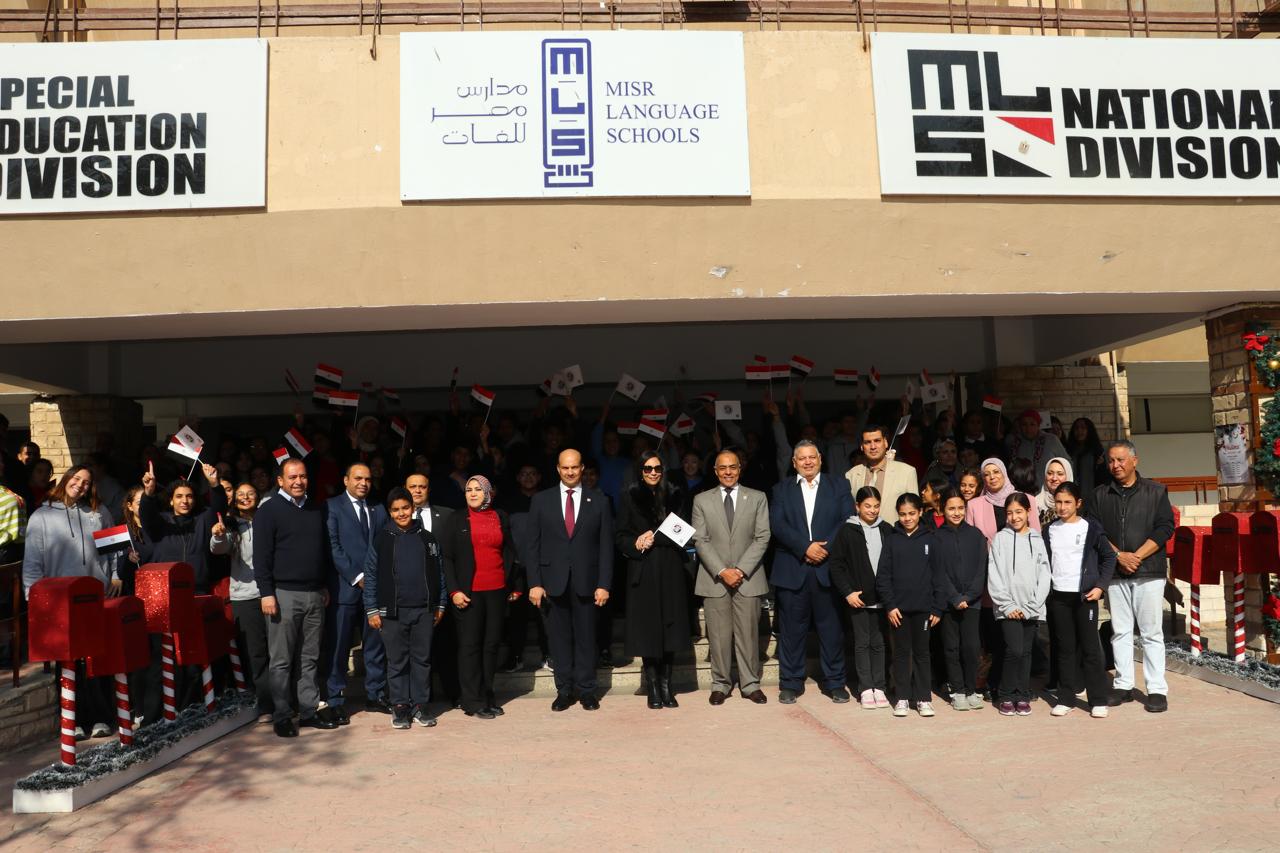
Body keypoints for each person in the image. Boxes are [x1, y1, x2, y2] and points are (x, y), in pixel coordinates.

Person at [21, 465, 120, 738]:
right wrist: (33, 598)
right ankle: (71, 720)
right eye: (77, 479)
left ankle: (100, 718)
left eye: (87, 482)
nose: (81, 485)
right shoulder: (41, 516)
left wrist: (115, 576)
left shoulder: (99, 513)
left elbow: (114, 549)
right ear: (66, 479)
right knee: (67, 662)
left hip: (94, 597)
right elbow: (32, 562)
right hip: (60, 601)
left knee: (95, 659)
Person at [252, 458, 339, 737]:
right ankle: (282, 715)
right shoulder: (268, 511)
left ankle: (309, 710)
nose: (298, 481)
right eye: (292, 477)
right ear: (280, 480)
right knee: (281, 660)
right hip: (282, 595)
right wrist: (266, 593)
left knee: (309, 658)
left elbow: (321, 551)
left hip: (315, 594)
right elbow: (261, 557)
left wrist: (323, 586)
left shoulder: (315, 509)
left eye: (302, 476)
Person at [525, 449, 614, 712]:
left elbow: (606, 547)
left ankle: (587, 691)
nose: (570, 472)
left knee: (587, 639)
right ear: (558, 469)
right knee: (558, 640)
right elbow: (532, 545)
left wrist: (604, 584)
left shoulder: (599, 501)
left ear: (582, 468)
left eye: (575, 467)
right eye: (565, 468)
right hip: (552, 582)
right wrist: (534, 582)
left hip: (588, 582)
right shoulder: (541, 500)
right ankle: (563, 690)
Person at [1091, 441, 1176, 713]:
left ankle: (1156, 689)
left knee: (1151, 632)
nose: (1115, 465)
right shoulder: (1100, 494)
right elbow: (1096, 532)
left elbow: (1165, 528)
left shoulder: (1156, 491)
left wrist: (1136, 556)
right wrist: (1118, 556)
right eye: (1111, 461)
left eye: (1121, 460)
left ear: (1135, 461)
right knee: (1120, 631)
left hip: (1148, 571)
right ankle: (1124, 685)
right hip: (1116, 572)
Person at [771, 440, 854, 704]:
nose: (807, 462)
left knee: (831, 630)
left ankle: (835, 682)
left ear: (820, 459)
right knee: (791, 632)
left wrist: (823, 549)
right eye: (802, 458)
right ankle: (790, 683)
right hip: (793, 568)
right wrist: (805, 547)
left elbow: (847, 519)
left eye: (812, 457)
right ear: (794, 463)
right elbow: (777, 524)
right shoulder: (781, 489)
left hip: (828, 569)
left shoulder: (839, 485)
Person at [691, 449, 771, 705]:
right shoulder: (701, 500)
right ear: (715, 471)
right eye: (723, 468)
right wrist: (723, 571)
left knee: (748, 635)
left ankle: (750, 684)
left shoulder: (757, 497)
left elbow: (762, 537)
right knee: (718, 636)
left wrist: (740, 570)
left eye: (732, 467)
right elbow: (700, 540)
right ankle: (720, 684)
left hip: (748, 578)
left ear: (740, 469)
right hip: (715, 579)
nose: (728, 472)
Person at [363, 487, 447, 730]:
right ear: (390, 512)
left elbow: (439, 572)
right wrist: (372, 609)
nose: (401, 513)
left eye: (405, 508)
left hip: (424, 610)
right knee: (397, 661)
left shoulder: (427, 538)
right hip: (392, 612)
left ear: (413, 508)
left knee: (422, 660)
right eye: (396, 510)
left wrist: (441, 603)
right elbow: (371, 575)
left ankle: (420, 705)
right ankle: (400, 706)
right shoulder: (382, 539)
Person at [439, 475, 518, 719]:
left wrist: (514, 585)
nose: (472, 493)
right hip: (469, 593)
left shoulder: (500, 516)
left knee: (491, 645)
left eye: (477, 489)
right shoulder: (456, 518)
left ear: (488, 493)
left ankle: (487, 694)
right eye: (468, 490)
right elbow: (446, 558)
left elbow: (510, 551)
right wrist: (454, 590)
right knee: (470, 647)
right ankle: (472, 700)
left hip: (496, 591)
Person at [615, 455, 691, 709]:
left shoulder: (676, 495)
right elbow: (620, 536)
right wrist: (636, 542)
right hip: (643, 568)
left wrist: (655, 538)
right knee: (648, 629)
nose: (653, 472)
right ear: (641, 470)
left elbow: (683, 532)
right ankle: (653, 687)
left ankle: (667, 685)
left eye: (657, 468)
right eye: (648, 468)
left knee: (670, 627)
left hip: (671, 568)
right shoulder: (629, 496)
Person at [1044, 482, 1116, 718]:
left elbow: (1109, 557)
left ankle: (1098, 700)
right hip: (1059, 597)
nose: (1062, 507)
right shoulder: (1049, 530)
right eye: (1058, 502)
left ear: (1078, 503)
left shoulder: (1090, 528)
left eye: (1067, 502)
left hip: (1085, 597)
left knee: (1090, 649)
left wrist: (1100, 586)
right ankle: (1066, 698)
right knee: (1065, 650)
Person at [324, 463, 389, 721]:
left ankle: (375, 695)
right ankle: (335, 699)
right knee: (339, 646)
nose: (363, 483)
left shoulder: (378, 507)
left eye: (368, 479)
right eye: (358, 478)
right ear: (346, 480)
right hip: (345, 589)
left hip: (375, 590)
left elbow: (385, 543)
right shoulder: (332, 506)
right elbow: (333, 546)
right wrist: (358, 576)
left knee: (375, 645)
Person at [875, 493, 942, 718]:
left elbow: (939, 575)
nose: (907, 518)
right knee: (902, 653)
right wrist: (890, 605)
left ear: (920, 512)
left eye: (912, 513)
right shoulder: (892, 540)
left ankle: (923, 698)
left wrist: (937, 607)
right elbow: (883, 576)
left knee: (922, 653)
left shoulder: (931, 539)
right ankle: (902, 697)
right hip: (898, 611)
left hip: (924, 610)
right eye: (903, 514)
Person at [211, 482, 273, 719]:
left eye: (251, 493)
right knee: (256, 653)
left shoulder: (269, 519)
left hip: (273, 592)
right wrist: (217, 536)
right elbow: (219, 548)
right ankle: (266, 705)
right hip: (245, 596)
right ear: (234, 500)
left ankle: (288, 699)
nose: (246, 497)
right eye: (241, 495)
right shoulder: (230, 525)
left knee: (279, 650)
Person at [826, 486, 891, 709]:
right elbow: (836, 565)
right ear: (857, 506)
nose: (872, 510)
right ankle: (865, 688)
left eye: (876, 506)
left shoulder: (887, 529)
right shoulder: (847, 530)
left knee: (879, 643)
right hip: (858, 599)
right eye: (867, 506)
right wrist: (848, 592)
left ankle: (879, 687)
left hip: (882, 598)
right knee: (862, 643)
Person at [986, 493, 1050, 717]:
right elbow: (994, 573)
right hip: (1008, 608)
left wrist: (1034, 604)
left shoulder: (1037, 539)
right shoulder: (1000, 539)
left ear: (1028, 512)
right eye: (1010, 513)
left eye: (1019, 512)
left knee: (1026, 652)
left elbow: (1044, 574)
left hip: (1031, 607)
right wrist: (1007, 605)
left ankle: (1022, 694)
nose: (1014, 517)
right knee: (1014, 650)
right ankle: (1006, 694)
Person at [405, 472, 459, 703]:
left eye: (422, 486)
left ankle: (453, 693)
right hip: (410, 595)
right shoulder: (397, 516)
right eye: (413, 487)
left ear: (429, 489)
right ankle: (420, 698)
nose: (417, 491)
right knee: (414, 650)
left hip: (441, 592)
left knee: (446, 646)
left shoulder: (447, 515)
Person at [934, 489, 988, 712]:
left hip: (972, 602)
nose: (956, 513)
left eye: (960, 508)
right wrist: (955, 597)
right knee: (951, 648)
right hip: (948, 603)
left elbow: (981, 568)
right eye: (951, 508)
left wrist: (969, 596)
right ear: (943, 510)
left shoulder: (976, 535)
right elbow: (938, 572)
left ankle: (971, 689)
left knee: (971, 647)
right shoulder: (936, 537)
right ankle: (957, 691)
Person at [140, 462, 227, 594]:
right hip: (164, 591)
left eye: (189, 496)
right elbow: (146, 515)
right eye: (179, 496)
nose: (185, 501)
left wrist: (214, 484)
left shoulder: (203, 519)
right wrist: (148, 493)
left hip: (198, 590)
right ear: (171, 500)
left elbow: (219, 508)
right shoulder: (161, 521)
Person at [845, 424, 918, 526]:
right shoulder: (851, 475)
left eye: (877, 441)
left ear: (886, 442)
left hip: (894, 533)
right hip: (861, 533)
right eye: (867, 442)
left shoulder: (907, 472)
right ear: (861, 446)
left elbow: (914, 511)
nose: (873, 447)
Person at [1004, 410, 1069, 489]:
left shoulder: (1051, 440)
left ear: (1038, 425)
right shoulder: (1014, 443)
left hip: (1049, 490)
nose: (1028, 428)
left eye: (1032, 424)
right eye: (1024, 424)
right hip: (1022, 490)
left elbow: (1067, 463)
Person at [1065, 417, 1107, 495]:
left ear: (1089, 430)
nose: (1079, 431)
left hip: (1092, 496)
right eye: (1076, 428)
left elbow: (1103, 478)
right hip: (1071, 495)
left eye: (1083, 428)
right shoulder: (1068, 451)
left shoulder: (1097, 451)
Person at [1035, 457, 1074, 528]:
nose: (1054, 478)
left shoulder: (1075, 503)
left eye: (1060, 474)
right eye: (1050, 473)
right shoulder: (1035, 503)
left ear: (1068, 476)